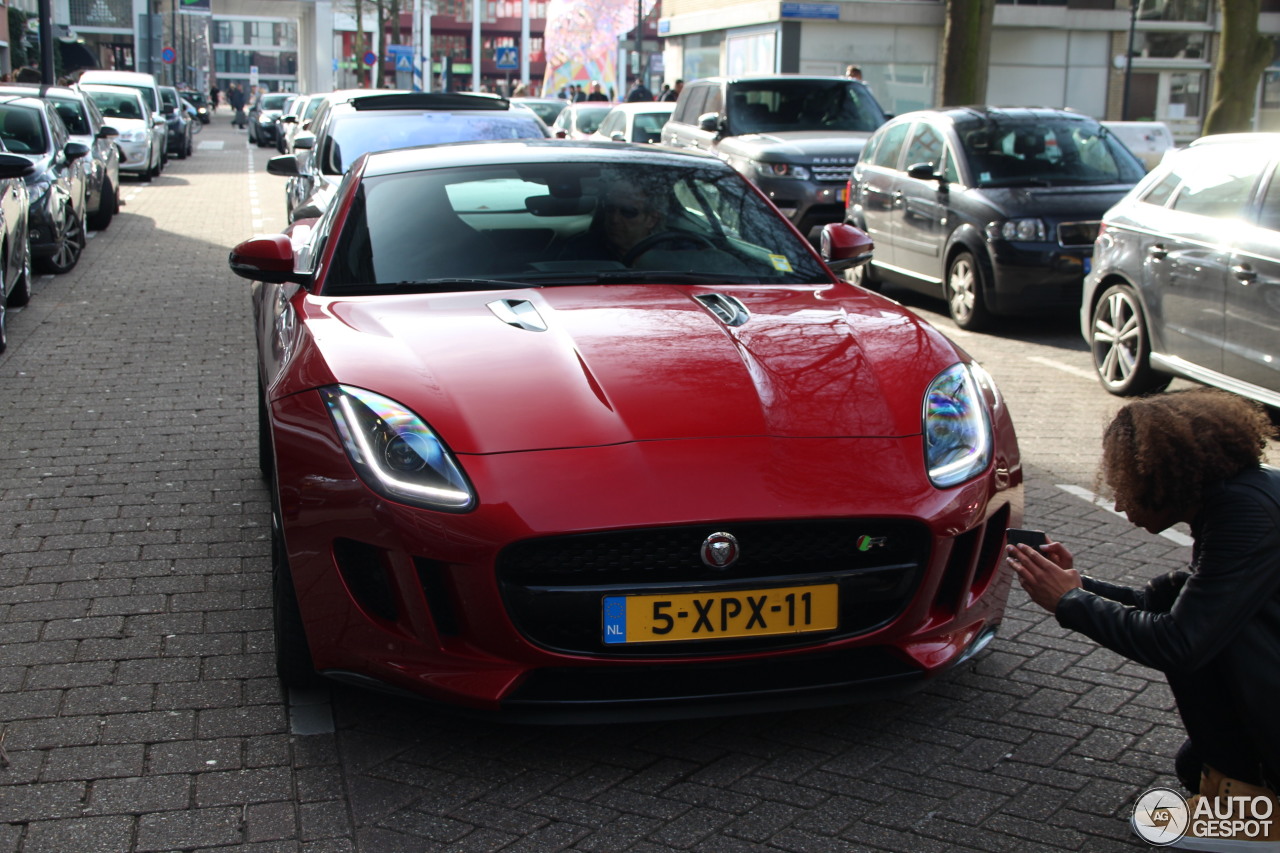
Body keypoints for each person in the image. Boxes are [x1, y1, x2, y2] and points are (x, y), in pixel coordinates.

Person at [1006, 388, 1280, 850]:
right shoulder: (1239, 498)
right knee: (1194, 766)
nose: (1117, 505)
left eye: (1125, 488)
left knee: (1188, 632)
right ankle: (1248, 789)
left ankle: (1262, 817)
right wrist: (1079, 586)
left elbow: (1179, 641)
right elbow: (1185, 610)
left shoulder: (1245, 514)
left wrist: (1070, 603)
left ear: (1160, 478)